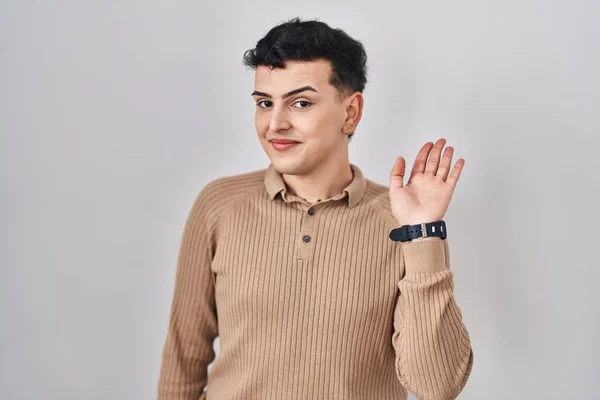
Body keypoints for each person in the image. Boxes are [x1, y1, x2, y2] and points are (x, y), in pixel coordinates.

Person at [157, 16, 473, 400]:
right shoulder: (219, 205)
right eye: (264, 103)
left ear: (351, 113)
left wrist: (422, 233)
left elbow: (436, 386)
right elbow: (183, 359)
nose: (274, 123)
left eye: (300, 103)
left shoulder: (402, 223)